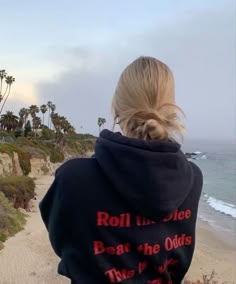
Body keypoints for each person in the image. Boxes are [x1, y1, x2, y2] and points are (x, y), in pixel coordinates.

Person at [39, 56, 203, 284]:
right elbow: (181, 260)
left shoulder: (74, 178)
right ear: (171, 110)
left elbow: (62, 241)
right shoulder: (193, 179)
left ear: (117, 109)